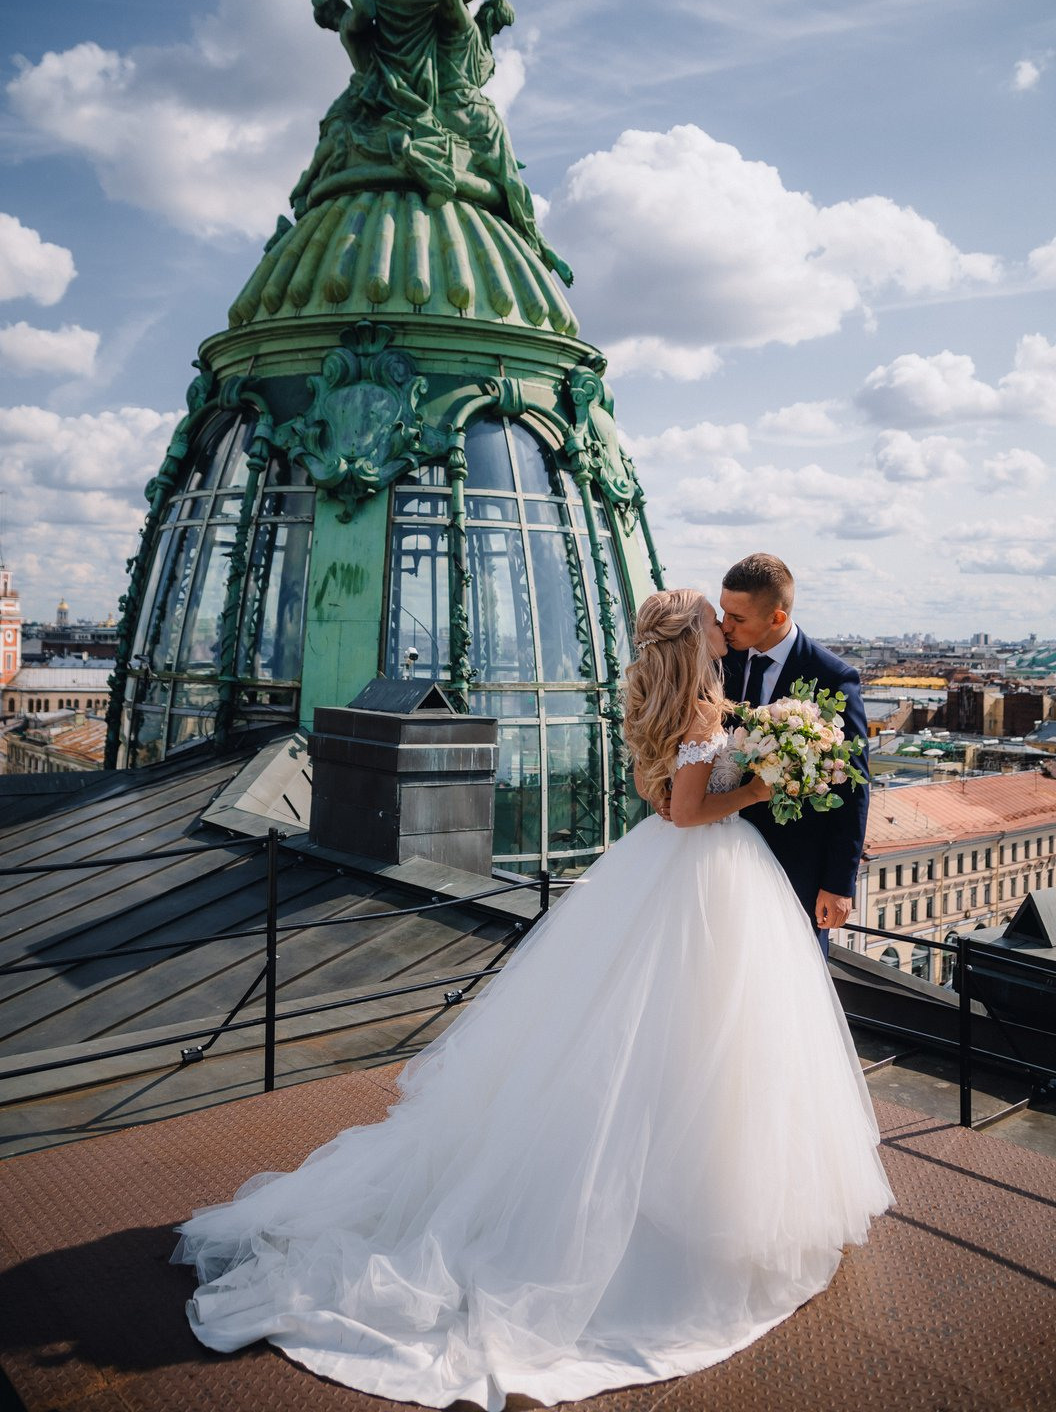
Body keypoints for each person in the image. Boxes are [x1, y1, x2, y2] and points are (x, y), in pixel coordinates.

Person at [173, 588, 892, 1410]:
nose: (721, 629)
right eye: (710, 621)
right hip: (706, 872)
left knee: (646, 1037)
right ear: (695, 637)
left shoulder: (669, 702)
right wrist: (761, 790)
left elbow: (658, 798)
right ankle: (688, 1217)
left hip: (658, 871)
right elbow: (691, 813)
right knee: (702, 1042)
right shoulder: (699, 711)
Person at [717, 553, 870, 954]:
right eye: (723, 613)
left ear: (777, 619)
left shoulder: (832, 676)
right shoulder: (718, 659)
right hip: (719, 850)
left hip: (795, 863)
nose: (725, 626)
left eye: (737, 618)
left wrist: (838, 884)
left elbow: (853, 786)